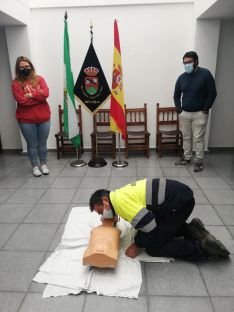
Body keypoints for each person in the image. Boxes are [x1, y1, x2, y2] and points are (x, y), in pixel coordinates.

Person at [89, 178, 230, 262]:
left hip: (179, 205)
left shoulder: (120, 203)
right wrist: (110, 218)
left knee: (153, 247)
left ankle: (203, 250)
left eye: (101, 211)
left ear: (105, 201)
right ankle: (190, 230)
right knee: (151, 232)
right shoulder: (118, 195)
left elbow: (149, 224)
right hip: (178, 198)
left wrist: (137, 245)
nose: (103, 214)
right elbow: (144, 218)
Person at [174, 51, 217, 172]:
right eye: (184, 62)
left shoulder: (205, 74)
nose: (186, 64)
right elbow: (176, 95)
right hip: (185, 113)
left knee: (198, 138)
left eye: (189, 62)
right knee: (186, 137)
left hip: (200, 113)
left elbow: (212, 93)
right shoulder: (182, 78)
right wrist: (179, 110)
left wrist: (205, 109)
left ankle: (198, 161)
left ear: (196, 61)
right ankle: (187, 158)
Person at [12, 56, 51, 177]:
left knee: (43, 143)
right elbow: (21, 101)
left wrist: (30, 95)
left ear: (31, 66)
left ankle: (43, 164)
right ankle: (35, 166)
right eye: (22, 67)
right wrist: (38, 97)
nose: (25, 68)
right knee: (32, 144)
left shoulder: (40, 79)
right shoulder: (16, 83)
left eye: (27, 66)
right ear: (18, 69)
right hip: (26, 120)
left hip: (44, 118)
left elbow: (46, 94)